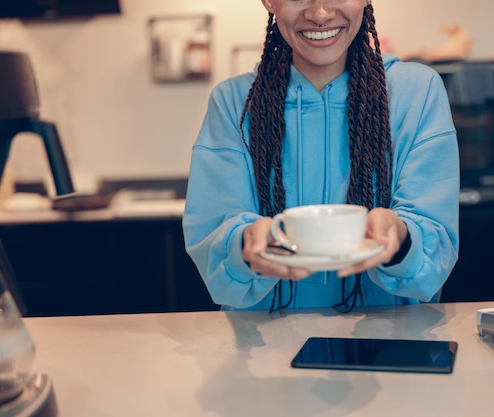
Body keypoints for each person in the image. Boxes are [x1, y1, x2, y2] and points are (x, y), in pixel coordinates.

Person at [183, 0, 459, 312]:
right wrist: (245, 243)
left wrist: (400, 238)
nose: (320, 14)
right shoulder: (234, 102)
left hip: (388, 342)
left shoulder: (417, 93)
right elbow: (213, 249)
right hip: (266, 348)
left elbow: (435, 257)